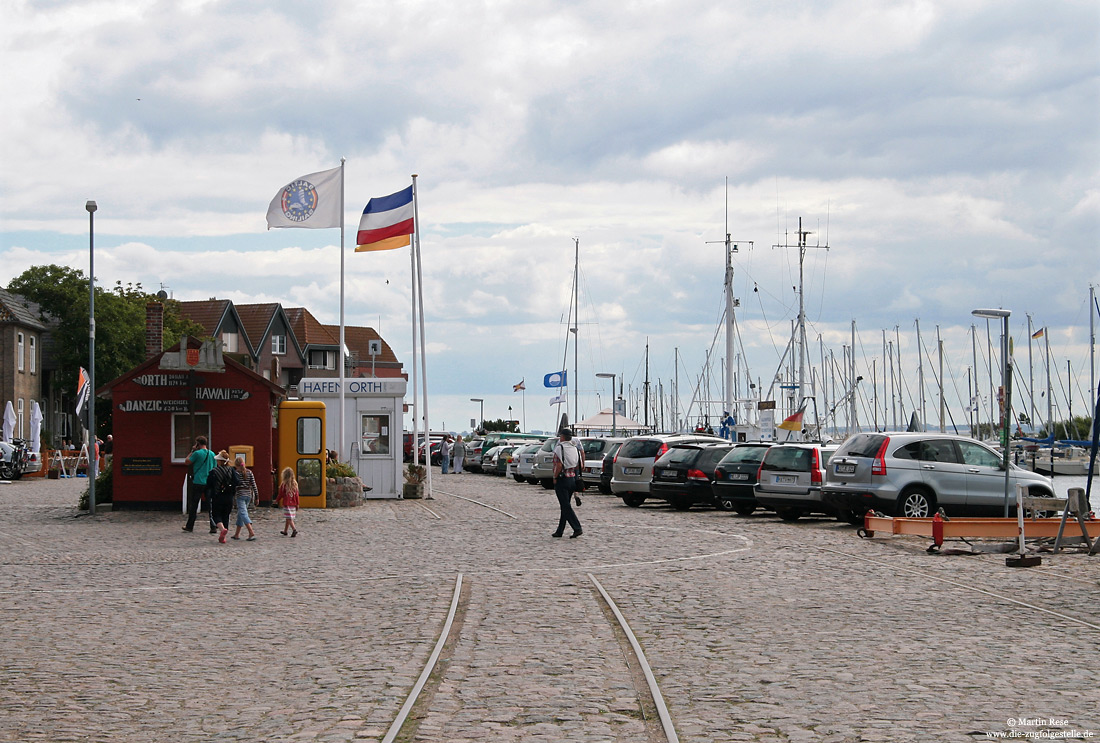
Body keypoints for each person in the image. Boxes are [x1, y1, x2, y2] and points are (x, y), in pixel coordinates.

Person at [551, 428, 585, 538]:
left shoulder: (559, 448)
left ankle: (577, 527)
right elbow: (577, 464)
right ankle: (560, 530)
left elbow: (559, 465)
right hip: (572, 478)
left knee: (565, 506)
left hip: (562, 479)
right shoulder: (574, 448)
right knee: (565, 505)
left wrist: (555, 477)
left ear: (562, 437)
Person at [183, 436, 217, 533]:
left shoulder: (197, 453)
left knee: (194, 504)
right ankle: (213, 525)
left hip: (198, 481)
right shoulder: (212, 454)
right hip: (209, 482)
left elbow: (187, 461)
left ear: (198, 443)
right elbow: (214, 468)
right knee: (210, 505)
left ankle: (190, 526)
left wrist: (192, 451)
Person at [209, 450, 240, 544]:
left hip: (217, 496)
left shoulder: (214, 471)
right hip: (229, 496)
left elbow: (209, 484)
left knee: (216, 515)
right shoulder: (231, 470)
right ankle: (223, 537)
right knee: (226, 515)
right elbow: (237, 481)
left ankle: (222, 529)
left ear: (219, 461)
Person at [231, 456, 258, 541]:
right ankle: (237, 534)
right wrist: (257, 497)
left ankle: (251, 531)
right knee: (240, 514)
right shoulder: (250, 472)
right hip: (248, 495)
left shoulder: (236, 473)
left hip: (240, 495)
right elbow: (254, 485)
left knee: (243, 513)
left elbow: (234, 486)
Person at [277, 467, 299, 537]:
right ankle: (285, 531)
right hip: (293, 504)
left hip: (287, 504)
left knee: (289, 518)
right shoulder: (295, 484)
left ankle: (294, 529)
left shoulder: (284, 485)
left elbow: (280, 494)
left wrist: (276, 500)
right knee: (289, 517)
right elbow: (297, 495)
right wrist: (297, 504)